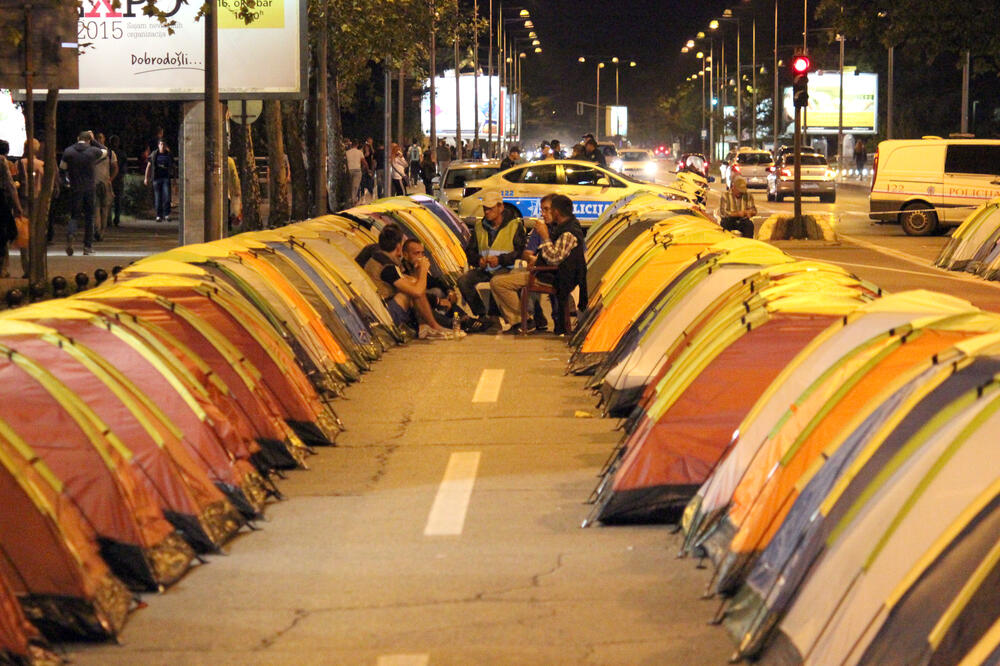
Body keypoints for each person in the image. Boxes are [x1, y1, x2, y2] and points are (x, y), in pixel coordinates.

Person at [491, 193, 587, 335]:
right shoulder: (553, 228)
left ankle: (523, 320)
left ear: (556, 212)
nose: (544, 213)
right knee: (512, 275)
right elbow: (527, 252)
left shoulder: (565, 231)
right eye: (542, 210)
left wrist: (545, 237)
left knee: (498, 282)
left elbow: (554, 258)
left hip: (554, 275)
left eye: (547, 209)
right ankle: (531, 318)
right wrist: (533, 258)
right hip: (544, 270)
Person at [361, 225, 456, 340]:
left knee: (414, 286)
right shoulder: (387, 267)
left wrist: (417, 275)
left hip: (377, 310)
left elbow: (413, 282)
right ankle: (434, 326)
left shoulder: (379, 258)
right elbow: (417, 291)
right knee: (409, 293)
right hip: (383, 314)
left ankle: (429, 326)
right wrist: (423, 270)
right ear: (399, 246)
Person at [457, 190, 526, 326]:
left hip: (507, 268)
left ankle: (495, 316)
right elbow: (470, 251)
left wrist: (500, 260)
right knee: (463, 281)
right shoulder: (479, 227)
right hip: (485, 269)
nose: (487, 212)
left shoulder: (514, 225)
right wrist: (478, 260)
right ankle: (482, 314)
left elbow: (519, 252)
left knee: (497, 280)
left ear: (501, 207)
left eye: (490, 208)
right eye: (485, 209)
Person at [59, 130, 106, 256]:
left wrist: (66, 182)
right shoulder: (93, 151)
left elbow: (62, 169)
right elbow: (105, 152)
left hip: (75, 188)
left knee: (74, 215)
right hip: (89, 188)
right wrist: (94, 140)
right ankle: (87, 246)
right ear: (89, 139)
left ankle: (71, 234)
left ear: (77, 138)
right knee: (89, 217)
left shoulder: (68, 151)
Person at [15, 138, 42, 276]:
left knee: (24, 234)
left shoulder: (20, 163)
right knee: (37, 233)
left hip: (24, 200)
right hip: (38, 201)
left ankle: (27, 268)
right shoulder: (42, 165)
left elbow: (16, 182)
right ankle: (37, 266)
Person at [0, 140, 24, 277]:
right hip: (1, 200)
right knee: (5, 232)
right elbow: (10, 185)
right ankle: (2, 268)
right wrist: (18, 206)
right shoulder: (2, 161)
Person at [93, 132, 117, 241]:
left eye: (101, 138)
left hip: (105, 184)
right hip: (94, 183)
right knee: (96, 208)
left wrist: (110, 179)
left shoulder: (110, 153)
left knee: (104, 209)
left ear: (104, 139)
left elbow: (115, 167)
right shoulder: (92, 152)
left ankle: (102, 230)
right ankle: (97, 230)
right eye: (97, 138)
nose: (99, 139)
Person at [144, 139, 174, 222]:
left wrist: (174, 179)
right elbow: (148, 166)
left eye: (164, 144)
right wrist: (146, 178)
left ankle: (167, 214)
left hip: (166, 178)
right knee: (158, 197)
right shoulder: (154, 154)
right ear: (158, 145)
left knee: (167, 197)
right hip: (156, 178)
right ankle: (158, 215)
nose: (162, 146)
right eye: (161, 144)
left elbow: (173, 167)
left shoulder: (168, 155)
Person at [107, 135, 124, 227]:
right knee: (118, 200)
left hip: (109, 178)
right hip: (118, 179)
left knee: (108, 200)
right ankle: (116, 219)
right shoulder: (121, 153)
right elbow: (123, 168)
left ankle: (109, 219)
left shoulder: (108, 153)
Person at [345, 139, 365, 205]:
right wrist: (367, 169)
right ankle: (353, 200)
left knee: (349, 186)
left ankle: (349, 200)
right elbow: (364, 162)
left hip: (349, 170)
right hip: (357, 170)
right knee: (355, 186)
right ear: (357, 144)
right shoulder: (360, 152)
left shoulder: (347, 152)